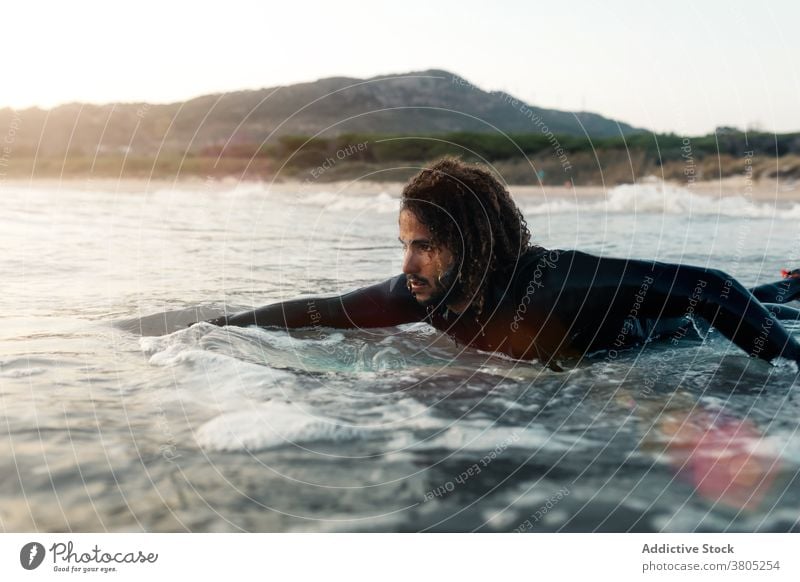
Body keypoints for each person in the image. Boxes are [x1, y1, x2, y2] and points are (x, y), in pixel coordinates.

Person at [204, 158, 800, 369]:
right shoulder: (416, 293)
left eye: (426, 245)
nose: (408, 263)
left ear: (474, 243)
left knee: (737, 305)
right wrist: (210, 329)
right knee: (763, 296)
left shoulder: (556, 285)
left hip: (656, 335)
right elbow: (317, 313)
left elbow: (713, 289)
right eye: (405, 243)